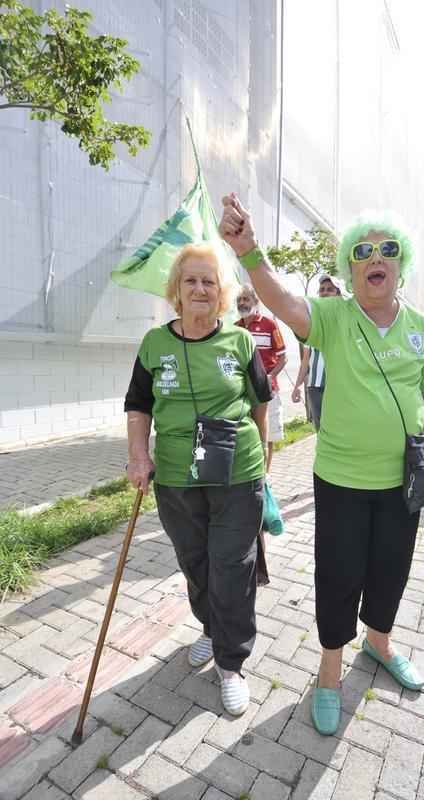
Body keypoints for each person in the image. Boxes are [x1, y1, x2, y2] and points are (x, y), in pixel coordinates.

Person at [220, 195, 424, 736]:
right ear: (351, 267)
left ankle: (379, 643)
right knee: (338, 576)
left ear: (402, 264)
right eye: (364, 250)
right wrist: (250, 251)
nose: (377, 256)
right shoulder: (331, 315)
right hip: (341, 481)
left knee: (391, 568)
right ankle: (329, 674)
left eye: (388, 248)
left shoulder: (420, 325)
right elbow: (281, 299)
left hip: (403, 479)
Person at [124, 243, 272, 716]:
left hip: (236, 471)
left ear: (222, 292)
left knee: (232, 565)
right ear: (177, 291)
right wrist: (136, 456)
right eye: (191, 280)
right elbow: (138, 405)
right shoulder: (154, 344)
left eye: (210, 281)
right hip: (174, 475)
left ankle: (232, 664)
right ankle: (210, 628)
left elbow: (260, 401)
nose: (200, 288)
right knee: (195, 561)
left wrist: (263, 460)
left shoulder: (241, 342)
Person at [236, 284, 287, 472]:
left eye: (246, 299)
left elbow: (283, 357)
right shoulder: (235, 329)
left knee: (268, 435)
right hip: (243, 392)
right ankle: (250, 472)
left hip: (268, 389)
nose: (242, 303)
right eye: (239, 300)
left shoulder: (269, 324)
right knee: (247, 433)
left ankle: (265, 475)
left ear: (255, 302)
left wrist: (269, 377)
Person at [291, 275, 341, 430]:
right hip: (315, 386)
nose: (325, 293)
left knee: (339, 427)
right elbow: (306, 360)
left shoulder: (345, 321)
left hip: (338, 385)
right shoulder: (311, 323)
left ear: (338, 294)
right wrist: (297, 385)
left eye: (330, 289)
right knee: (321, 429)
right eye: (322, 290)